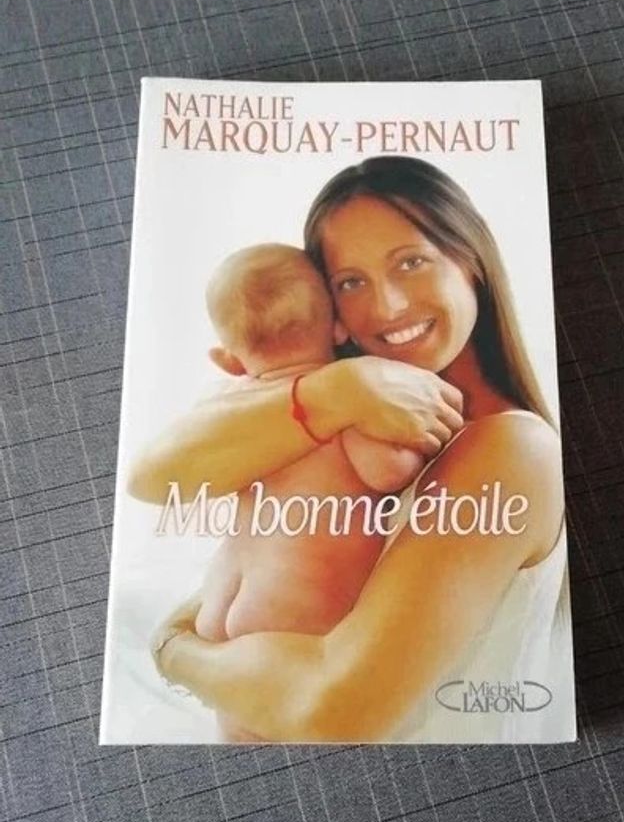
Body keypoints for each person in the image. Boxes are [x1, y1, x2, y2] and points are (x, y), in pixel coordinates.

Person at [139, 156, 573, 743]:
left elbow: (332, 713)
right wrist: (339, 390)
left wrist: (174, 652)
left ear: (470, 259)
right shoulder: (349, 418)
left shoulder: (510, 447)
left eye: (411, 262)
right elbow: (150, 479)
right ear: (330, 306)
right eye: (350, 282)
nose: (387, 306)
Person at [192, 242, 424, 740]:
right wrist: (421, 447)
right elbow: (388, 472)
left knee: (240, 734)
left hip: (217, 607)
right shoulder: (350, 400)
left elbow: (203, 477)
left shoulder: (227, 406)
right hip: (292, 613)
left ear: (227, 359)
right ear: (338, 328)